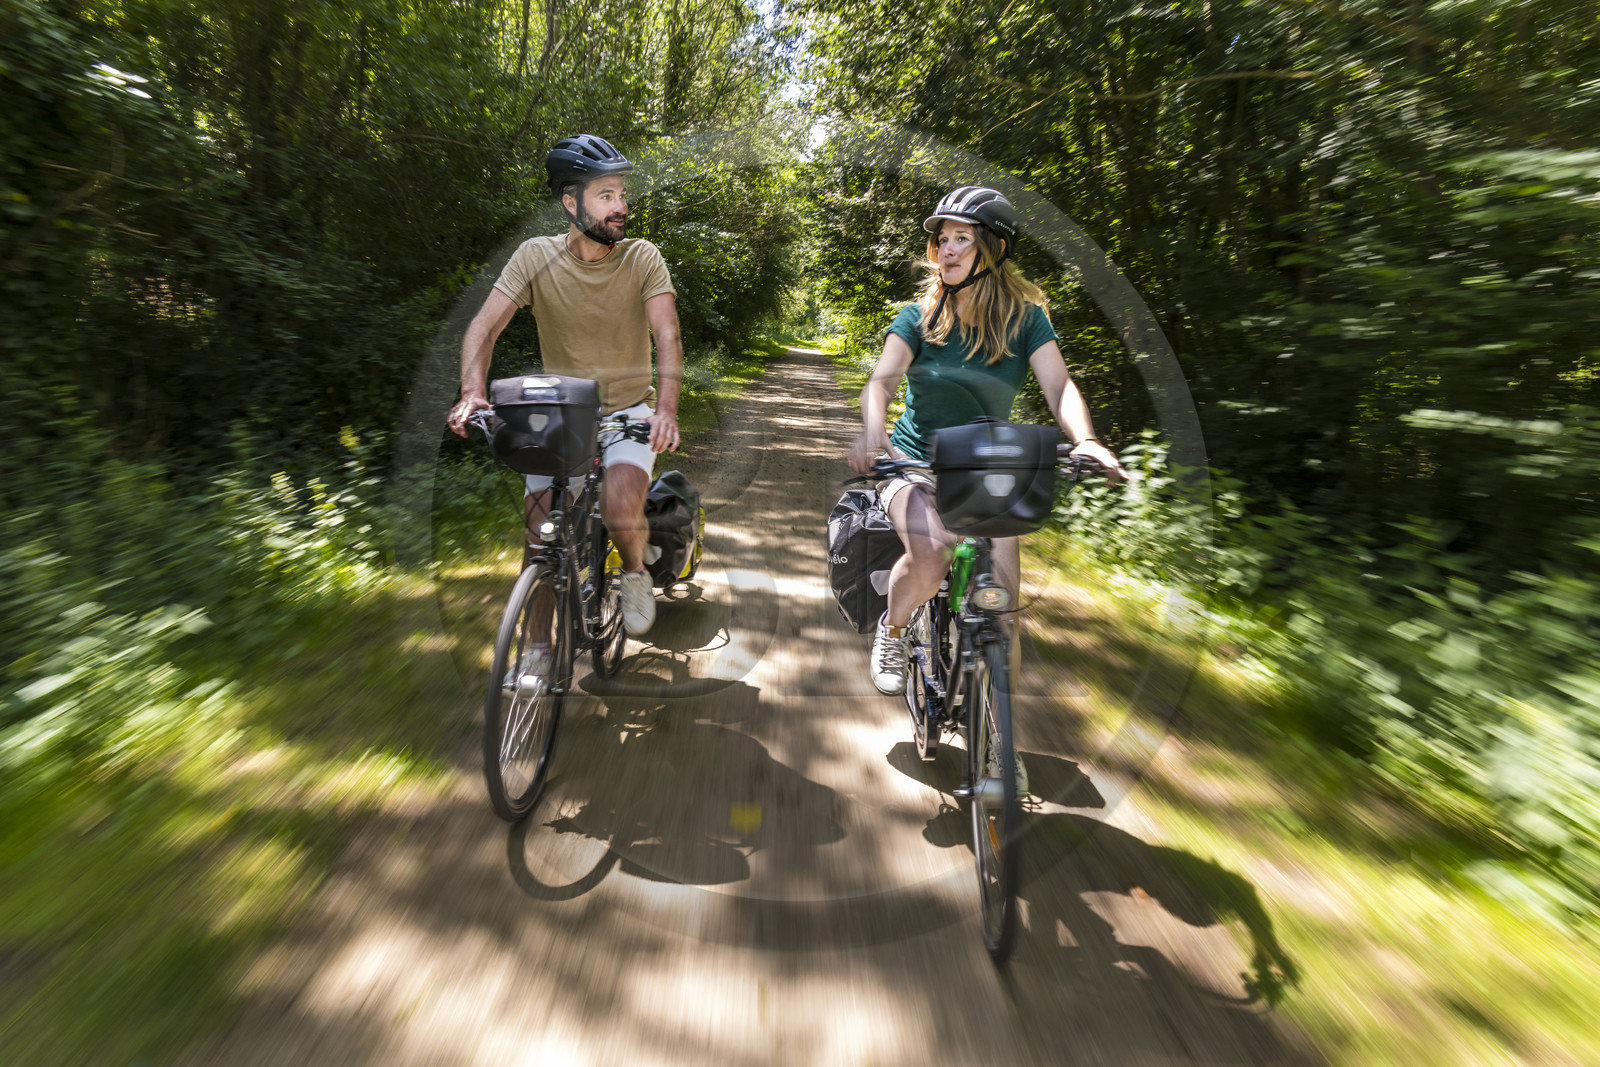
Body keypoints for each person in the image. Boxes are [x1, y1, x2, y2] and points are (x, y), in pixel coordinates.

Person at [847, 185, 1128, 696]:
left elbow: (1059, 386)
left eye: (961, 239)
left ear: (993, 250)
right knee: (931, 554)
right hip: (915, 466)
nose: (946, 250)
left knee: (1005, 607)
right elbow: (882, 382)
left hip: (988, 473)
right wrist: (873, 430)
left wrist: (1086, 439)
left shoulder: (1026, 321)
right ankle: (892, 629)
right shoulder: (918, 318)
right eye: (942, 241)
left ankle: (1000, 744)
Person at [448, 133, 683, 640]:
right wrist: (472, 391)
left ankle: (636, 573)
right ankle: (535, 654)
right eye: (607, 195)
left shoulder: (642, 257)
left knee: (621, 505)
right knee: (539, 542)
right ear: (571, 203)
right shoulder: (535, 257)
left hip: (628, 412)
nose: (621, 206)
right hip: (563, 416)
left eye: (622, 193)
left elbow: (666, 334)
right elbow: (483, 327)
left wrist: (665, 410)